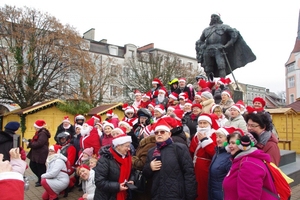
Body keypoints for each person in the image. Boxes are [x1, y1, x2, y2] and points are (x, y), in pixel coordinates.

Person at [143, 118, 198, 200]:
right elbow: (146, 174)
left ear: (169, 134)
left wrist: (190, 196)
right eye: (156, 132)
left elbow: (189, 174)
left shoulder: (179, 148)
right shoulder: (151, 151)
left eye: (162, 132)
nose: (159, 134)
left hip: (176, 195)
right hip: (157, 195)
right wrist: (150, 167)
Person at [195, 13, 256, 78]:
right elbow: (201, 40)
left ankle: (223, 82)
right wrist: (203, 46)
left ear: (218, 18)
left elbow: (234, 35)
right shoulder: (206, 30)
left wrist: (227, 45)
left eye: (215, 16)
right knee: (208, 68)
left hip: (219, 49)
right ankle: (210, 83)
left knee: (221, 66)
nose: (213, 18)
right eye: (212, 17)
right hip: (208, 49)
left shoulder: (224, 27)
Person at [223, 133, 278, 200]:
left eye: (233, 143)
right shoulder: (240, 160)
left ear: (243, 144)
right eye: (229, 143)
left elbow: (249, 196)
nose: (229, 146)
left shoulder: (248, 163)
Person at [94, 134, 134, 200]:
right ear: (118, 146)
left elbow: (131, 172)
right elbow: (99, 182)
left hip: (124, 195)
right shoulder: (105, 160)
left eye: (129, 146)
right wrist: (117, 187)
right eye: (126, 146)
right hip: (106, 196)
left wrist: (131, 180)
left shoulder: (127, 157)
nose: (129, 149)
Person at [189, 113, 219, 200]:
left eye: (205, 123)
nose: (202, 126)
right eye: (200, 123)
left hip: (207, 167)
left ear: (210, 124)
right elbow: (192, 152)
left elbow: (215, 153)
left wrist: (205, 141)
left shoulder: (215, 135)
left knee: (205, 189)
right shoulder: (195, 136)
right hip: (196, 167)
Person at [208, 126, 239, 200]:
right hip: (214, 194)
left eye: (220, 137)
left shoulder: (229, 157)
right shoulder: (217, 153)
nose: (217, 139)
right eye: (217, 137)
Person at [26, 120, 50, 187]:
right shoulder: (39, 133)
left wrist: (30, 144)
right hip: (37, 153)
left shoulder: (42, 133)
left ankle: (42, 180)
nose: (34, 128)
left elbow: (39, 143)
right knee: (33, 165)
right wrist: (30, 141)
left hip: (41, 153)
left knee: (40, 167)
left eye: (35, 127)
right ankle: (40, 179)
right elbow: (37, 141)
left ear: (38, 127)